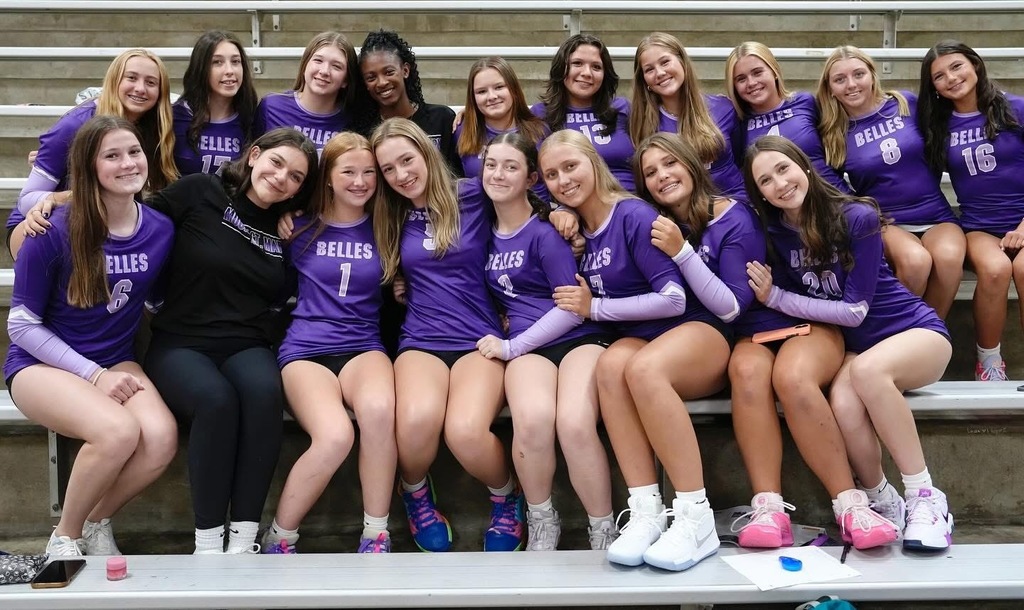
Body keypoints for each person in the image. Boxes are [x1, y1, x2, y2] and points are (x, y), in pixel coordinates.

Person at [745, 135, 955, 551]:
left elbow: (854, 310)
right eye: (766, 180)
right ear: (760, 193)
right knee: (842, 402)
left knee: (866, 372)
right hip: (860, 350)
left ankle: (925, 498)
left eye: (783, 169)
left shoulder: (854, 216)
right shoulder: (775, 234)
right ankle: (882, 499)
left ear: (803, 166)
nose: (780, 184)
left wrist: (776, 297)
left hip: (914, 333)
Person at [539, 129, 727, 571]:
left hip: (695, 329)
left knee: (642, 369)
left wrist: (595, 306)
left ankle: (695, 517)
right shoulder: (578, 228)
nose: (563, 180)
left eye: (571, 166)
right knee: (610, 368)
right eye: (551, 174)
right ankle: (645, 511)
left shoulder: (634, 215)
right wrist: (553, 213)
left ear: (594, 162)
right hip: (643, 336)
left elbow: (673, 298)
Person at [4, 115, 176, 556]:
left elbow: (156, 300)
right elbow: (21, 325)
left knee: (159, 439)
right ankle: (64, 536)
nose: (127, 164)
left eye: (134, 152)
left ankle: (97, 522)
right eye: (111, 156)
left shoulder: (159, 227)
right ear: (88, 167)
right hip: (41, 366)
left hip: (114, 357)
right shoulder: (52, 227)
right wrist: (94, 375)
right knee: (118, 431)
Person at [142, 128, 318, 554]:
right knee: (216, 401)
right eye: (277, 163)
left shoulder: (286, 230)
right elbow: (130, 214)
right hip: (181, 341)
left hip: (246, 343)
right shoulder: (202, 190)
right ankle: (207, 542)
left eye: (295, 177)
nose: (281, 178)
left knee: (263, 395)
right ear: (255, 155)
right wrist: (58, 198)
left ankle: (242, 539)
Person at [371, 117, 523, 553]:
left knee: (466, 431)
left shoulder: (474, 193)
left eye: (407, 160)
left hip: (480, 338)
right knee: (416, 423)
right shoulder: (389, 211)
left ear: (426, 151)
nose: (401, 175)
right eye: (388, 169)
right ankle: (415, 493)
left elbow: (530, 202)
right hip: (422, 338)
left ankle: (505, 497)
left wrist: (563, 216)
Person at [475, 131, 617, 551]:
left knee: (574, 422)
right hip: (525, 343)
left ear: (531, 178)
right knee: (533, 419)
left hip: (576, 337)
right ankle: (541, 519)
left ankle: (602, 527)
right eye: (491, 164)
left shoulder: (546, 232)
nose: (498, 174)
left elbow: (572, 308)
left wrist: (512, 347)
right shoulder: (482, 232)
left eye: (511, 166)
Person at [262, 132, 397, 554]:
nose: (360, 181)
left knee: (378, 411)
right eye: (348, 172)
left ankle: (376, 533)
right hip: (306, 350)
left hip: (363, 345)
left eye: (369, 173)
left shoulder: (387, 224)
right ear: (329, 177)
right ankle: (280, 537)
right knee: (335, 435)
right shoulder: (297, 224)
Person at [816, 45, 964, 319]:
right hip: (887, 221)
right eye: (840, 79)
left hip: (936, 213)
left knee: (949, 259)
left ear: (872, 74)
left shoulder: (905, 102)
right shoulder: (833, 131)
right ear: (830, 88)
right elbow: (830, 184)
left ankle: (930, 336)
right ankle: (896, 336)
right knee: (916, 262)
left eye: (858, 74)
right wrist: (862, 212)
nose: (851, 84)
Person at [918, 40, 1024, 381]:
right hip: (981, 226)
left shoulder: (1015, 109)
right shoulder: (938, 126)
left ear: (975, 65)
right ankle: (989, 362)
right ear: (932, 85)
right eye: (939, 75)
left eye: (956, 66)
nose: (950, 77)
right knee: (994, 270)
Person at [11, 48, 177, 257]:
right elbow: (26, 200)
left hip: (110, 226)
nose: (140, 88)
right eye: (131, 78)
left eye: (151, 82)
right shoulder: (74, 125)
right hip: (40, 224)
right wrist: (78, 196)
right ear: (114, 79)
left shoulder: (160, 128)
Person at [629, 32, 744, 198]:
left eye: (665, 62)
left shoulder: (724, 107)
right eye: (649, 69)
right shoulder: (643, 125)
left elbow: (742, 158)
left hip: (735, 204)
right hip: (683, 215)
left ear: (683, 62)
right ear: (644, 80)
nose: (660, 73)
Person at [725, 41, 850, 193]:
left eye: (757, 72)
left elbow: (835, 144)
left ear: (774, 72)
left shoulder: (805, 102)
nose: (751, 83)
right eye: (741, 79)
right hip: (785, 208)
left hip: (834, 197)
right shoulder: (737, 121)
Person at [534, 34, 635, 191]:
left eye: (596, 67)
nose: (587, 72)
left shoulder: (622, 108)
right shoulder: (541, 114)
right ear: (561, 68)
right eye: (577, 63)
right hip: (571, 207)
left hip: (628, 201)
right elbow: (537, 178)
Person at [358, 29, 464, 176]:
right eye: (371, 77)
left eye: (389, 72)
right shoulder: (363, 132)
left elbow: (457, 177)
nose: (381, 82)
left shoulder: (442, 119)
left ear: (405, 70)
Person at [255, 32, 359, 155]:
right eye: (318, 60)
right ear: (305, 65)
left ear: (346, 80)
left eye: (336, 66)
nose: (324, 71)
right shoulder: (271, 107)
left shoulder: (354, 119)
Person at [455, 57, 548, 192]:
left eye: (499, 87)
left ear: (513, 89)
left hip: (534, 211)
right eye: (482, 91)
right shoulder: (462, 130)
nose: (492, 96)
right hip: (481, 212)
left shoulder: (541, 129)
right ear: (473, 98)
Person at [173, 30, 258, 176]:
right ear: (201, 68)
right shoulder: (175, 116)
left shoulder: (252, 118)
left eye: (235, 61)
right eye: (217, 62)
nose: (229, 70)